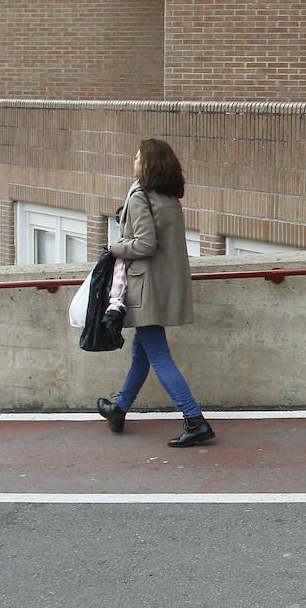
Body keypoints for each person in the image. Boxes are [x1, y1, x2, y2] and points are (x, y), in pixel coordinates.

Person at [96, 139, 216, 449]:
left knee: (159, 356)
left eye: (137, 157)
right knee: (141, 354)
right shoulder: (169, 198)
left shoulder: (141, 197)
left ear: (147, 164)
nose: (133, 160)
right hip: (163, 285)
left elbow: (145, 245)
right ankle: (119, 410)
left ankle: (195, 420)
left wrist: (115, 248)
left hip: (145, 287)